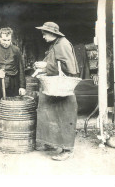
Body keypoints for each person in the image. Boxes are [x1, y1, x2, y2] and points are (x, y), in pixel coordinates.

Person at [34, 22, 79, 161]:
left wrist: (46, 66)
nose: (43, 37)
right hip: (53, 88)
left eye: (45, 33)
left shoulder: (62, 44)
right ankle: (52, 144)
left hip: (62, 89)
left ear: (53, 33)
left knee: (64, 118)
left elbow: (69, 68)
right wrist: (43, 66)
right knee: (49, 115)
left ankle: (67, 150)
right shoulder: (55, 44)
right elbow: (55, 63)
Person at [0, 27, 26, 107]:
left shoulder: (16, 50)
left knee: (12, 106)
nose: (6, 42)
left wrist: (22, 86)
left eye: (8, 40)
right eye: (4, 40)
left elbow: (21, 69)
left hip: (13, 83)